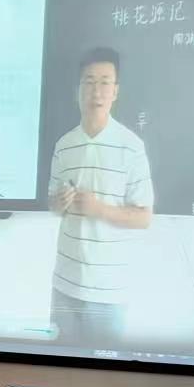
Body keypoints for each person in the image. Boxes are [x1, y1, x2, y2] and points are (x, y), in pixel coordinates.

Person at [48, 46, 154, 348]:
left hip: (109, 291)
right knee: (57, 368)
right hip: (65, 284)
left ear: (115, 91)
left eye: (105, 82)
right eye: (89, 81)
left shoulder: (131, 146)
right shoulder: (64, 145)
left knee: (104, 373)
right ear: (78, 90)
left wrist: (99, 209)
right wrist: (60, 203)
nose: (96, 90)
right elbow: (53, 204)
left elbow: (144, 217)